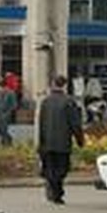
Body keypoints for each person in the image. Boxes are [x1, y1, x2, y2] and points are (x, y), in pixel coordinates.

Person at [36, 74, 85, 205]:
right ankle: (56, 191)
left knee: (51, 168)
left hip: (47, 142)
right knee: (61, 169)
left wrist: (40, 143)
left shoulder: (45, 102)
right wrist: (80, 139)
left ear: (53, 84)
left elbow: (41, 124)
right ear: (64, 85)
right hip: (63, 143)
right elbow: (75, 123)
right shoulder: (69, 102)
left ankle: (53, 189)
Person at [0, 77, 17, 146]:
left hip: (7, 115)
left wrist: (9, 112)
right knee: (1, 130)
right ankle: (5, 142)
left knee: (3, 129)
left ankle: (7, 142)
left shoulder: (11, 93)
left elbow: (14, 105)